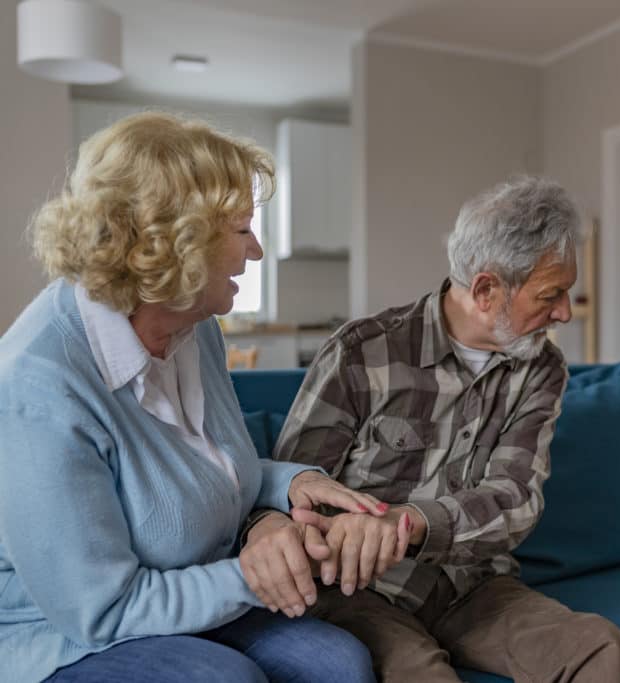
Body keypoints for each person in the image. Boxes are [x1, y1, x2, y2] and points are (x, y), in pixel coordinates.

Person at [0, 112, 410, 683]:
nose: (257, 251)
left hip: (185, 585)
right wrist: (255, 572)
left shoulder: (195, 330)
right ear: (174, 241)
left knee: (338, 662)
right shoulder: (38, 385)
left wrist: (290, 482)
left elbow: (193, 472)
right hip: (64, 634)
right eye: (243, 230)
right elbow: (101, 610)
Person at [271, 176, 620, 682]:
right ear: (487, 290)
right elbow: (292, 492)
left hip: (477, 587)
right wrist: (345, 537)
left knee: (604, 649)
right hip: (365, 594)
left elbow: (516, 499)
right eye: (551, 294)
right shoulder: (362, 353)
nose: (564, 312)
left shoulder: (541, 369)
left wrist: (406, 523)